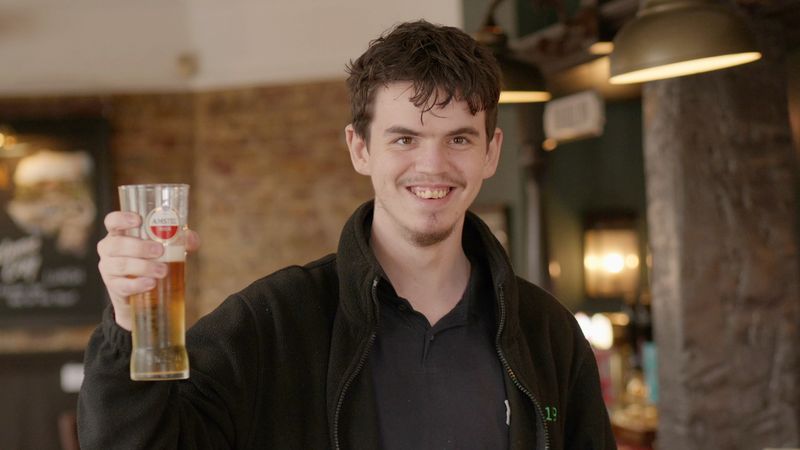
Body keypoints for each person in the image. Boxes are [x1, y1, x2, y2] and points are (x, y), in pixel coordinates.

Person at [78, 20, 615, 450]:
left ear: (491, 152)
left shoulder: (549, 333)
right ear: (360, 148)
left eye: (458, 138)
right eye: (404, 138)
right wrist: (130, 326)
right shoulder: (272, 322)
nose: (433, 165)